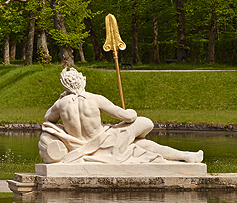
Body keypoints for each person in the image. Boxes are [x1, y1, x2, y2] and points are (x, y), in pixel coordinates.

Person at [39, 67, 204, 165]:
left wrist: (61, 98)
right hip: (107, 142)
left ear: (65, 85)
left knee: (141, 144)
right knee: (145, 124)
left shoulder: (61, 104)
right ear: (83, 81)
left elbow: (48, 118)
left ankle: (187, 156)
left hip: (83, 147)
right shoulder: (95, 99)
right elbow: (127, 117)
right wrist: (132, 112)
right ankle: (186, 156)